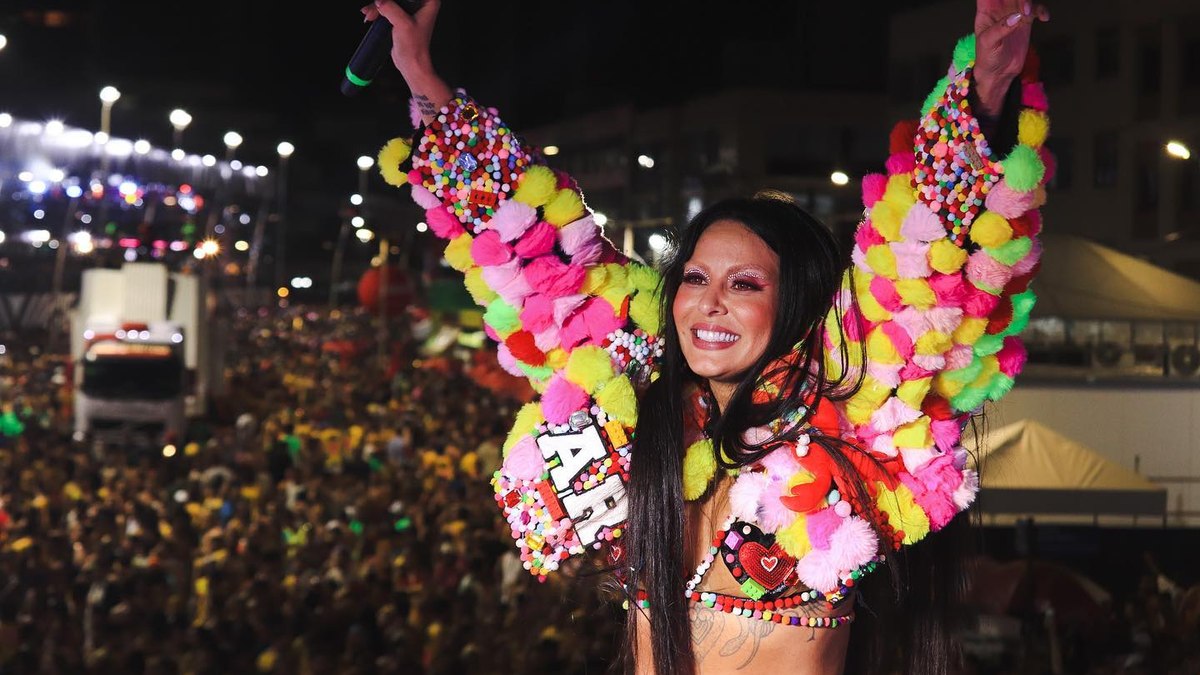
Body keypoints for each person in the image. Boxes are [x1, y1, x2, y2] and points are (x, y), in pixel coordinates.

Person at [362, 0, 1052, 672]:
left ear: (802, 304)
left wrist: (987, 89)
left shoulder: (849, 408)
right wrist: (425, 85)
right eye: (694, 278)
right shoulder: (638, 394)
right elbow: (540, 257)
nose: (709, 305)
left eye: (745, 284)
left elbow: (923, 268)